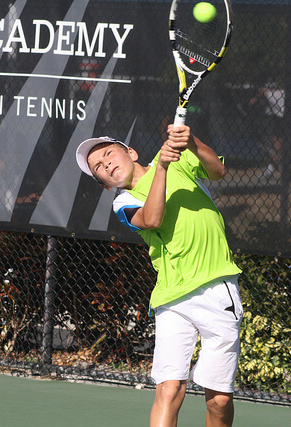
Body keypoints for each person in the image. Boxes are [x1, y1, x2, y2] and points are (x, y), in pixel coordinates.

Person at [75, 125, 243, 427]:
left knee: (219, 400)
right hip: (172, 298)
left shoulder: (177, 160)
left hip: (217, 288)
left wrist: (191, 142)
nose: (107, 164)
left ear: (131, 152)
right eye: (98, 167)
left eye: (109, 154)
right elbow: (153, 218)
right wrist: (162, 167)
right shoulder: (122, 203)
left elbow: (217, 171)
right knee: (169, 389)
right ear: (103, 184)